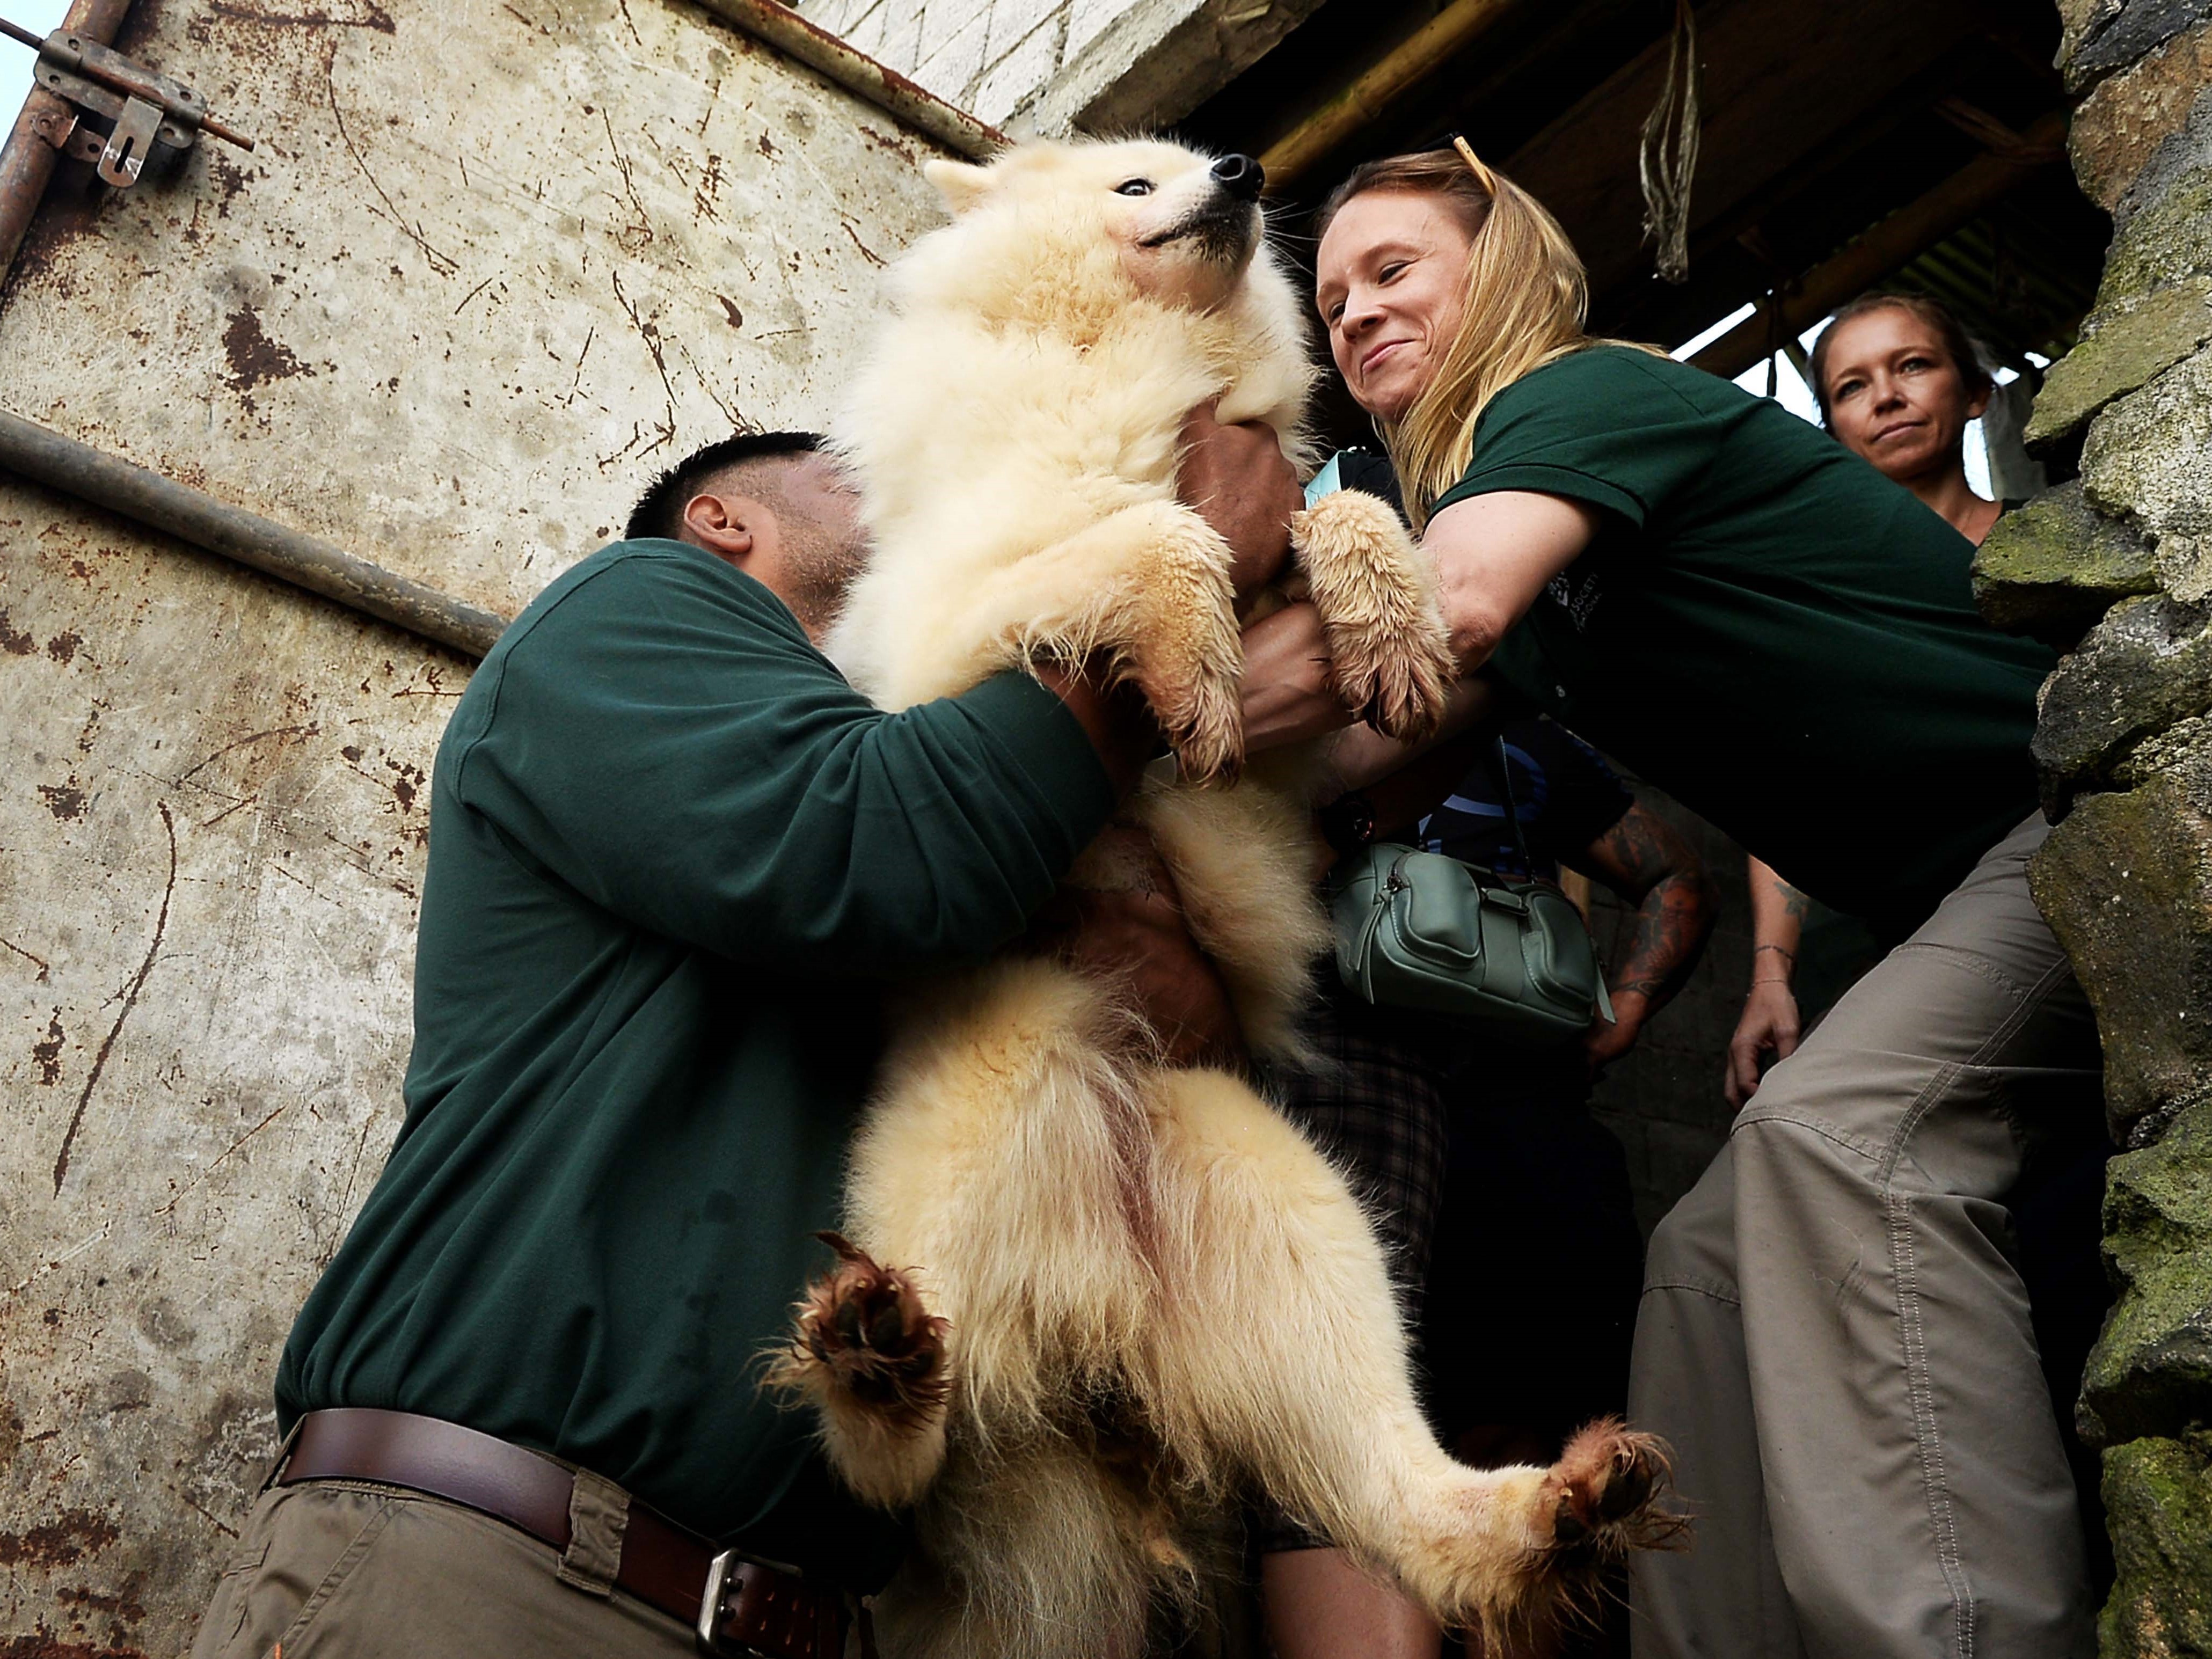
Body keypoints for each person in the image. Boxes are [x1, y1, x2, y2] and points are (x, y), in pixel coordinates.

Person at [185, 417, 1304, 1657]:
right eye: (862, 461)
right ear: (727, 519)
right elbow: (878, 850)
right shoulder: (635, 606)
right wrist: (1182, 570)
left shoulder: (969, 795)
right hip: (494, 1577)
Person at [1242, 141, 2100, 1657]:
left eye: (1394, 272)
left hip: (2066, 826)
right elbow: (1359, 737)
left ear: (1497, 271)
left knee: (1834, 1140)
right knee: (1698, 1260)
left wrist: (1086, 723)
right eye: (1332, 296)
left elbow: (1440, 610)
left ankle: (1959, 1636)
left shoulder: (1573, 397)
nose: (1356, 312)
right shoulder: (1510, 526)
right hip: (1944, 898)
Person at [1261, 689, 1718, 1659]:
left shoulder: (1530, 739)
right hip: (1367, 1085)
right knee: (1384, 1419)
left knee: (1538, 1437)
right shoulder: (1308, 724)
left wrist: (1623, 1011)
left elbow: (1677, 876)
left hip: (1504, 1111)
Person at [1729, 291, 2004, 1107]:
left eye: (1912, 365)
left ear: (1974, 390)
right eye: (1851, 386)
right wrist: (1769, 975)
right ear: (1833, 434)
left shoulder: (2052, 551)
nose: (1885, 396)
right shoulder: (1817, 598)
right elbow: (1786, 786)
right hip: (1870, 936)